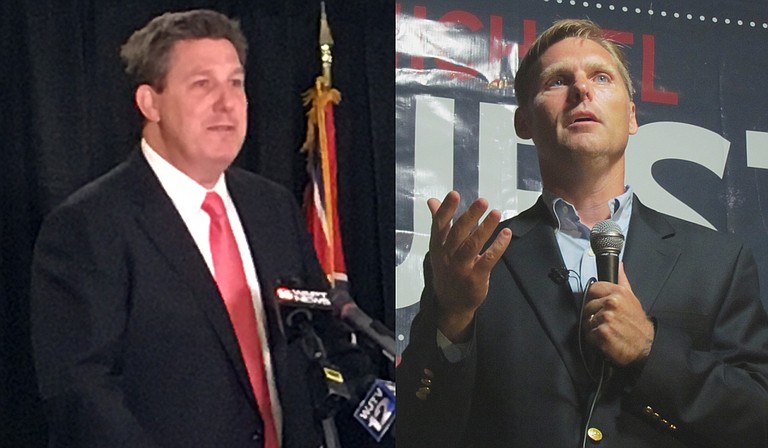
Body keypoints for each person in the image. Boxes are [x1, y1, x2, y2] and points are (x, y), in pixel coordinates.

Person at [397, 18, 768, 448]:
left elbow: (758, 417)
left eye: (601, 77)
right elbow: (415, 428)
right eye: (557, 81)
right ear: (523, 123)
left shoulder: (719, 262)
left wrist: (651, 349)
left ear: (631, 117)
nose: (581, 91)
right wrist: (453, 322)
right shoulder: (473, 262)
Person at [31, 9, 339, 448]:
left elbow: (320, 334)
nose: (227, 103)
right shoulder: (88, 227)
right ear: (149, 103)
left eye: (236, 83)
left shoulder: (273, 207)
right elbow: (81, 393)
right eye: (202, 84)